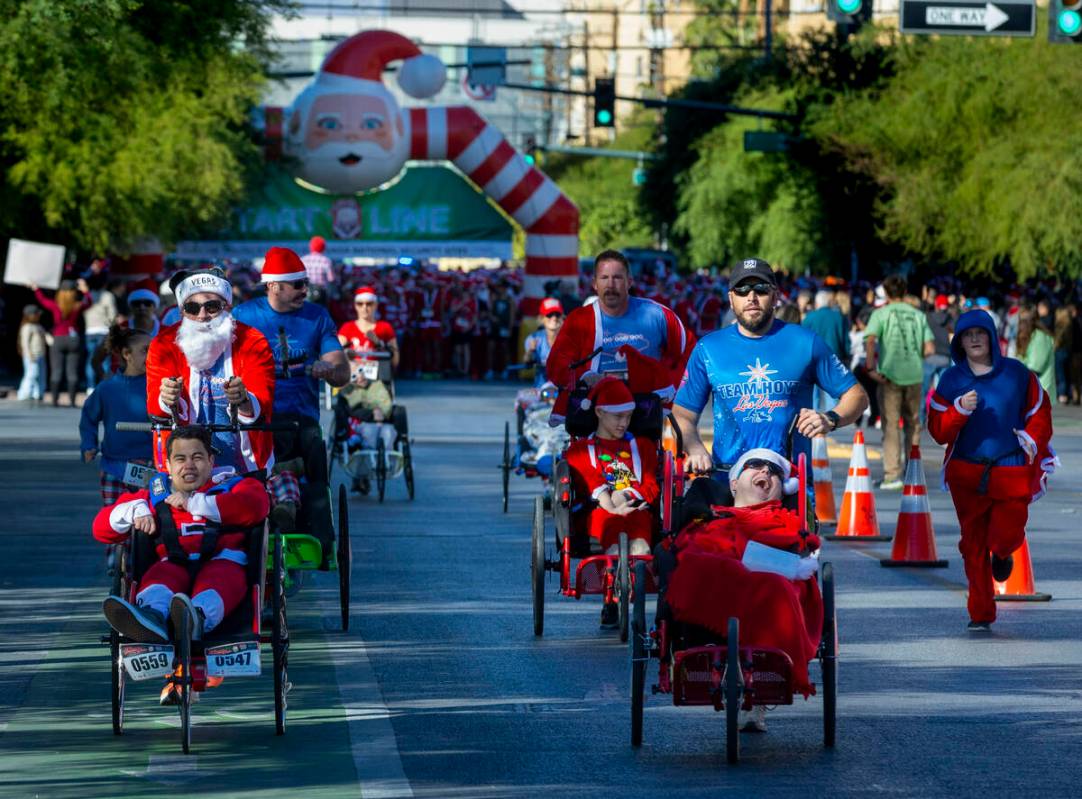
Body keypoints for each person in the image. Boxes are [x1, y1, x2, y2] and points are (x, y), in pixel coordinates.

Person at [95, 426, 270, 704]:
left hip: (223, 562)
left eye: (198, 457)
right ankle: (151, 618)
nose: (189, 465)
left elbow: (257, 505)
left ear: (212, 462)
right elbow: (101, 528)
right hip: (173, 563)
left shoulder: (233, 484)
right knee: (160, 579)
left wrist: (195, 503)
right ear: (167, 464)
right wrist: (135, 511)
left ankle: (194, 619)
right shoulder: (154, 494)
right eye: (180, 458)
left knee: (219, 578)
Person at [659, 447, 822, 730]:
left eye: (774, 472)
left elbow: (801, 559)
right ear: (733, 483)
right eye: (755, 465)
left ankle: (757, 697)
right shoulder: (707, 517)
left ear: (782, 491)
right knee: (692, 562)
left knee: (776, 584)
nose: (766, 472)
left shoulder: (787, 522)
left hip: (768, 590)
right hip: (712, 588)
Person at [676, 258, 868, 482]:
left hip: (791, 489)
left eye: (761, 289)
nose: (751, 297)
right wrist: (695, 447)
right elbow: (682, 415)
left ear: (775, 296)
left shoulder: (805, 342)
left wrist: (830, 418)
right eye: (742, 289)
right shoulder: (708, 349)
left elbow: (857, 396)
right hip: (728, 488)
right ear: (731, 299)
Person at [928, 310, 1057, 631]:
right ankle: (981, 613)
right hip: (966, 473)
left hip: (1010, 469)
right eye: (967, 335)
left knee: (1005, 533)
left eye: (980, 333)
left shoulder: (1016, 373)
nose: (974, 339)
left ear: (991, 338)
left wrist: (1031, 436)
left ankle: (1002, 553)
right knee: (972, 544)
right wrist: (957, 411)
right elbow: (938, 431)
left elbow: (1041, 409)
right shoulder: (951, 380)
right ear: (959, 342)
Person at [233, 247, 349, 559]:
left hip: (300, 419)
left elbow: (342, 372)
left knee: (313, 451)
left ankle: (320, 543)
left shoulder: (317, 316)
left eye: (305, 284)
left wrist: (331, 369)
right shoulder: (243, 316)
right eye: (297, 284)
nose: (304, 290)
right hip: (254, 418)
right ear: (273, 285)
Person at [147, 267, 276, 476]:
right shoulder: (163, 344)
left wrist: (244, 399)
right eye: (192, 308)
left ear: (227, 306)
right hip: (183, 467)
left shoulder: (252, 340)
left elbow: (263, 401)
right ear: (182, 312)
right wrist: (167, 397)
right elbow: (155, 407)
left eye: (212, 306)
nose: (202, 316)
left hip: (244, 464)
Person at [547, 250, 694, 424]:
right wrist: (584, 375)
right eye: (604, 278)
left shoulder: (657, 314)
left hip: (644, 418)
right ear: (594, 284)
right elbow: (556, 365)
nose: (610, 285)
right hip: (593, 420)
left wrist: (669, 387)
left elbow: (693, 353)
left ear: (629, 282)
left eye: (617, 278)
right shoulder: (579, 320)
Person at [563, 378, 659, 628]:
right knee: (613, 539)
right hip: (599, 511)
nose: (624, 423)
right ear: (599, 412)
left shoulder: (644, 447)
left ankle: (629, 586)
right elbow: (591, 480)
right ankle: (613, 594)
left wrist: (626, 496)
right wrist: (612, 503)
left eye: (628, 416)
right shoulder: (581, 449)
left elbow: (650, 485)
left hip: (636, 507)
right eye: (618, 416)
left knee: (640, 545)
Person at [864, 275, 935, 491]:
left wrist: (870, 368)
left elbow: (870, 340)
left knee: (891, 425)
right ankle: (912, 472)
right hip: (914, 375)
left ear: (886, 292)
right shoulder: (918, 315)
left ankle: (892, 475)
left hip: (890, 376)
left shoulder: (880, 314)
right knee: (913, 425)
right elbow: (930, 348)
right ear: (904, 292)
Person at [79, 326, 153, 505]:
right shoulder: (106, 389)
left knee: (146, 520)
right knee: (114, 520)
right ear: (127, 354)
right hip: (113, 465)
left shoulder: (157, 386)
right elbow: (89, 418)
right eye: (145, 351)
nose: (151, 356)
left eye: (154, 350)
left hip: (149, 463)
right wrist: (89, 444)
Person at [335, 364, 396, 495]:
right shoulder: (348, 391)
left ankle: (384, 461)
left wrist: (379, 413)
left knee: (387, 432)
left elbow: (386, 405)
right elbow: (350, 409)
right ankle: (361, 477)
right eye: (355, 377)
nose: (360, 378)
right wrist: (372, 412)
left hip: (380, 422)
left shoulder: (377, 386)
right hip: (360, 424)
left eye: (361, 374)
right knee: (363, 436)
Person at [33, 278, 91, 407]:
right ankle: (72, 401)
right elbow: (89, 302)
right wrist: (85, 290)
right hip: (73, 339)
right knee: (72, 371)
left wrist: (36, 288)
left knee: (56, 370)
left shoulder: (55, 305)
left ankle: (55, 400)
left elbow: (42, 300)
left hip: (58, 338)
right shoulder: (78, 305)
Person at [801, 289, 850, 412]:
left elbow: (802, 340)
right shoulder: (839, 316)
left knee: (814, 395)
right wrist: (847, 355)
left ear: (817, 303)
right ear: (829, 302)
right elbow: (844, 339)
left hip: (812, 360)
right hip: (834, 359)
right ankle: (833, 420)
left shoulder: (810, 317)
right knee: (832, 393)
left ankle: (814, 422)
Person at [337, 285, 399, 370]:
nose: (364, 307)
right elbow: (336, 357)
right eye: (360, 304)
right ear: (355, 305)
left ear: (376, 305)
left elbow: (395, 361)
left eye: (369, 304)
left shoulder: (385, 327)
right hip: (351, 376)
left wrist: (379, 344)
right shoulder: (347, 327)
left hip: (377, 377)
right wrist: (346, 353)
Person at [82, 279, 121, 394]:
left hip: (89, 330)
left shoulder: (87, 295)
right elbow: (112, 315)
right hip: (103, 330)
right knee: (105, 360)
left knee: (90, 359)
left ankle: (90, 386)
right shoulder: (107, 295)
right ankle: (104, 384)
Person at [522, 297, 564, 387]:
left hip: (563, 389)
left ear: (562, 317)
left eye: (557, 314)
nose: (554, 318)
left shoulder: (570, 338)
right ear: (541, 318)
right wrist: (530, 351)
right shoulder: (533, 338)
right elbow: (527, 362)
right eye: (549, 314)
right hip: (541, 389)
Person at [1016, 307, 1055, 396]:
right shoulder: (1029, 335)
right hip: (1030, 389)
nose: (1019, 325)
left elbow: (1036, 366)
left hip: (1040, 392)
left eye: (1022, 322)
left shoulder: (1039, 337)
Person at [16, 305, 48, 402]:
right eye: (37, 314)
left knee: (42, 375)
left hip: (40, 354)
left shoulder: (38, 326)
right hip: (31, 355)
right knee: (31, 374)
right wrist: (28, 355)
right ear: (31, 315)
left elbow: (46, 337)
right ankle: (24, 393)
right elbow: (25, 343)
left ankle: (38, 393)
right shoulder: (27, 327)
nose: (39, 316)